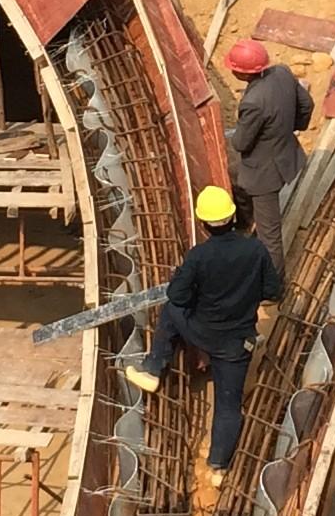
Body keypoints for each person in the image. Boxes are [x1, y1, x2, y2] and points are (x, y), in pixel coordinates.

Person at [122, 183, 283, 490]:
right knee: (228, 405)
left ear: (204, 223)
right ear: (233, 217)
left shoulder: (199, 256)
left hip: (202, 332)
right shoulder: (256, 249)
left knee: (170, 311)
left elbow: (177, 296)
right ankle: (218, 468)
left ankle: (154, 368)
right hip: (237, 342)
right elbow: (272, 291)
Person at [223, 37, 313, 268]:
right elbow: (307, 104)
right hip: (285, 154)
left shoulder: (252, 102)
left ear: (241, 73)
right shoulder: (282, 73)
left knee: (269, 236)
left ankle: (274, 288)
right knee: (235, 176)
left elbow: (241, 144)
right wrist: (290, 127)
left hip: (265, 175)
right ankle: (247, 220)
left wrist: (237, 130)